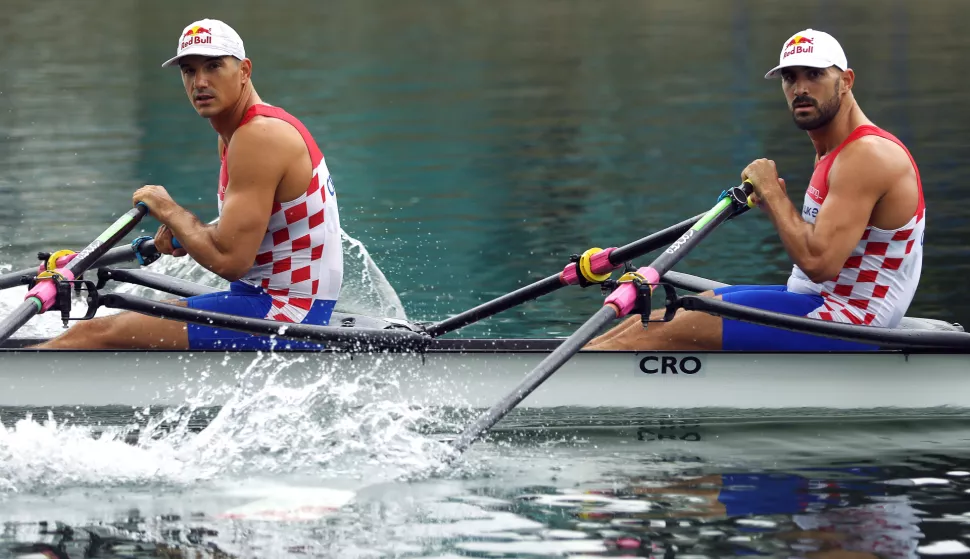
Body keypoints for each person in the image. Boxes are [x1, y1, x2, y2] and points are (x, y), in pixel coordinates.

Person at [587, 28, 925, 352]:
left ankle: (569, 387)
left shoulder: (866, 155)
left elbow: (820, 262)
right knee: (650, 322)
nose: (800, 88)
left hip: (850, 321)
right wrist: (771, 203)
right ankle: (576, 368)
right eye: (790, 78)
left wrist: (774, 194)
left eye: (814, 75)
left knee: (658, 332)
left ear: (847, 81)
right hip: (814, 301)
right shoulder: (833, 150)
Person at [33, 18, 343, 350]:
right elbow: (244, 236)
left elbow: (231, 261)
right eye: (189, 70)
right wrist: (190, 234)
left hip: (287, 314)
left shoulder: (260, 136)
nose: (200, 82)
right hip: (263, 299)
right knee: (98, 329)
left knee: (90, 334)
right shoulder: (236, 136)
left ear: (244, 71)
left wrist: (169, 211)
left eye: (213, 66)